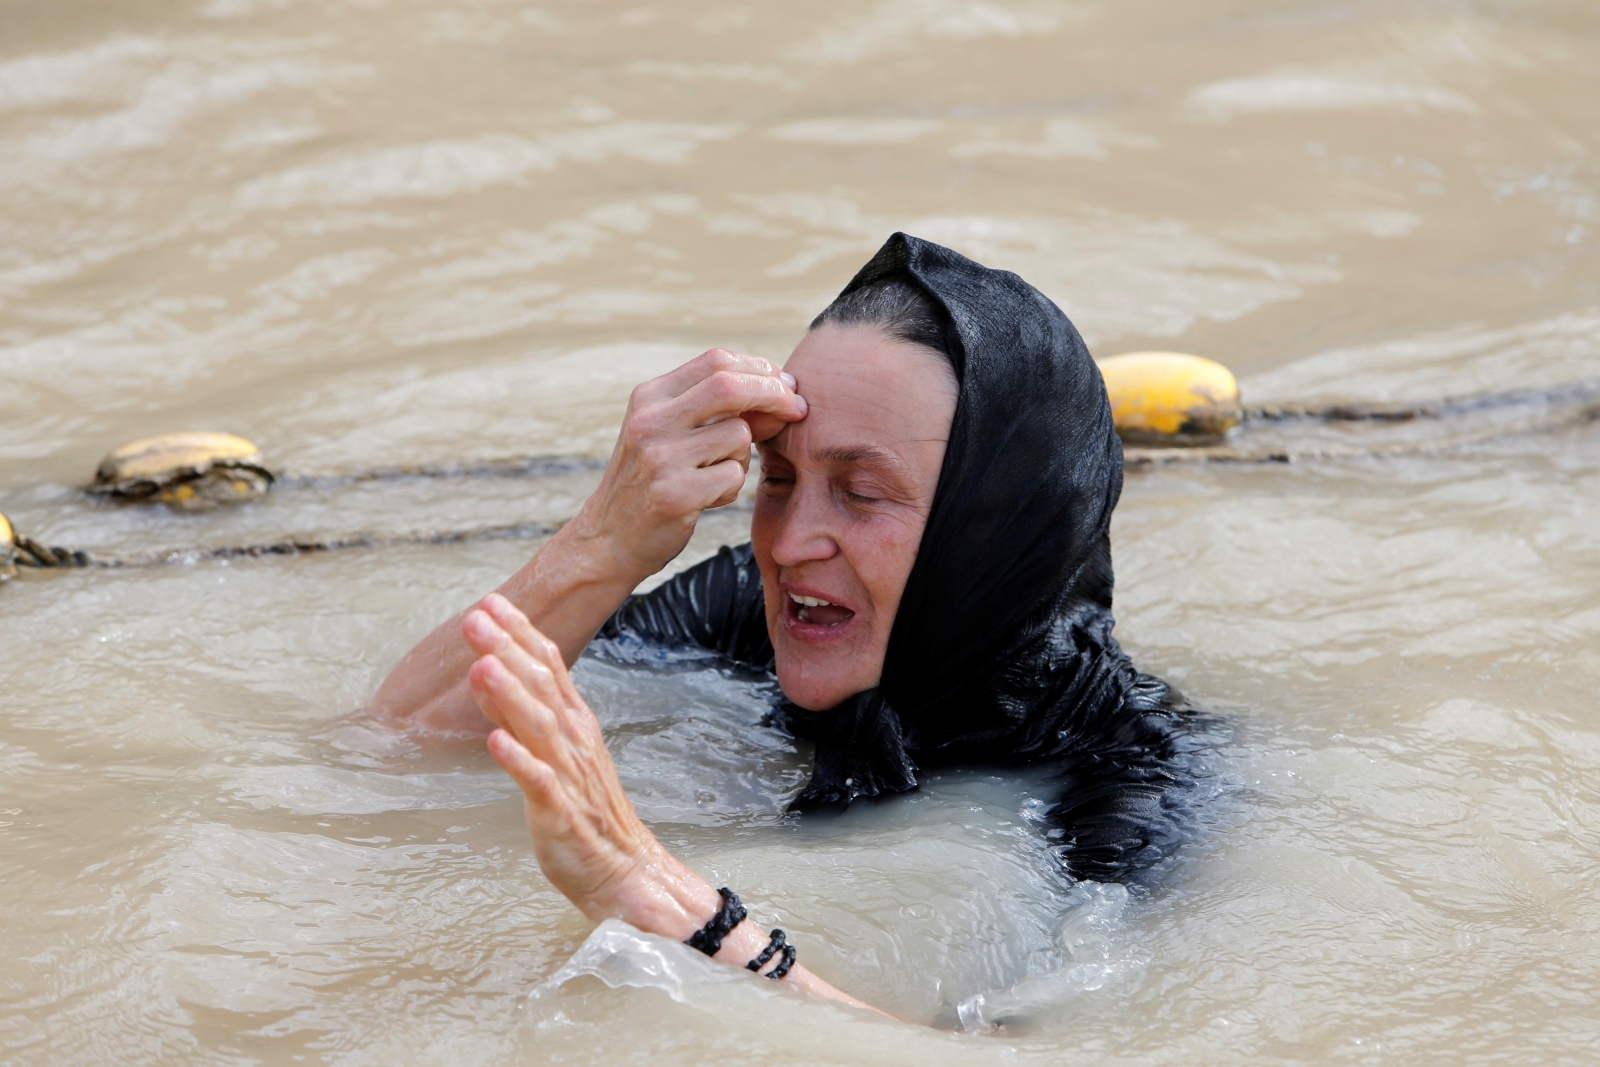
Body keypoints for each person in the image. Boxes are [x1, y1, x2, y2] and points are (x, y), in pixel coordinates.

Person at [372, 233, 1205, 1012]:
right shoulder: (756, 610)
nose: (787, 543)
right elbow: (385, 754)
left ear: (988, 529)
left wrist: (662, 897)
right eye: (778, 477)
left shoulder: (1130, 781)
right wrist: (605, 540)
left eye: (861, 493)